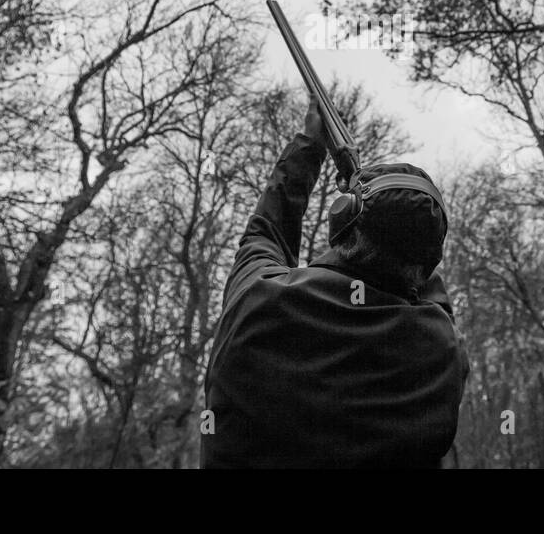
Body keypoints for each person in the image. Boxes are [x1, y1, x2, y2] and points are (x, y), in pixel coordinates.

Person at [200, 98, 469, 468]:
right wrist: (411, 234)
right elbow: (428, 291)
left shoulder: (258, 305)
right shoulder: (441, 356)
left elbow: (265, 236)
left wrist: (309, 146)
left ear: (341, 217)